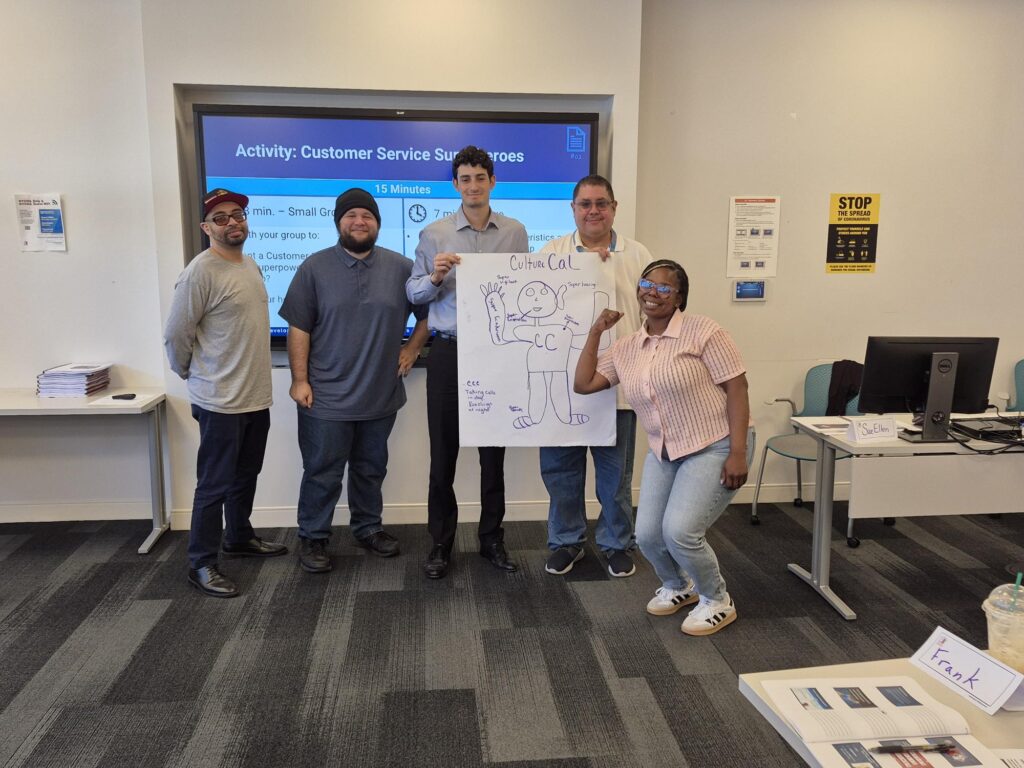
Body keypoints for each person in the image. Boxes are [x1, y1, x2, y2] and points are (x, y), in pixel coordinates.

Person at [574, 259, 754, 636]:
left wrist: (738, 452)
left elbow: (737, 388)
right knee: (648, 535)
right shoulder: (627, 347)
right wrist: (595, 331)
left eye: (664, 287)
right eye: (646, 284)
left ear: (679, 297)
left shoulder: (704, 331)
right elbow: (585, 384)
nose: (652, 293)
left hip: (715, 444)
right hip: (665, 451)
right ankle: (678, 586)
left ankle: (717, 599)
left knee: (680, 533)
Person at [279, 189, 429, 573]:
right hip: (325, 397)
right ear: (338, 222)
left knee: (370, 469)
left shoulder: (402, 268)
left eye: (367, 216)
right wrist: (299, 380)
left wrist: (412, 348)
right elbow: (298, 328)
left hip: (380, 395)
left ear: (377, 223)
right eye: (351, 215)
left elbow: (430, 313)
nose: (359, 222)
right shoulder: (313, 268)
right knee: (322, 472)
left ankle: (368, 528)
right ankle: (313, 537)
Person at [406, 145, 529, 579]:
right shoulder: (434, 233)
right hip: (448, 351)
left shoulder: (515, 232)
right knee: (443, 453)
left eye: (480, 178)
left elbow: (524, 288)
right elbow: (413, 292)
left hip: (496, 353)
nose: (473, 186)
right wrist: (435, 275)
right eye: (465, 179)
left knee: (493, 455)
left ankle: (492, 539)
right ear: (455, 184)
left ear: (492, 181)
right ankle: (440, 543)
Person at [164, 188, 287, 599]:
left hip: (255, 395)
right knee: (213, 484)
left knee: (246, 474)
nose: (232, 222)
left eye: (238, 214)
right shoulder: (200, 272)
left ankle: (238, 537)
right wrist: (193, 374)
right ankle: (201, 562)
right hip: (220, 400)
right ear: (206, 227)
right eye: (221, 218)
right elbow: (176, 335)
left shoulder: (249, 263)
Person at [537, 175, 651, 578]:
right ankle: (566, 542)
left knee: (614, 478)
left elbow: (653, 312)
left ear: (614, 208)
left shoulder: (638, 254)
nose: (593, 211)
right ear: (573, 209)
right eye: (585, 204)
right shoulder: (551, 252)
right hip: (562, 386)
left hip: (618, 387)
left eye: (601, 203)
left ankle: (617, 544)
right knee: (561, 474)